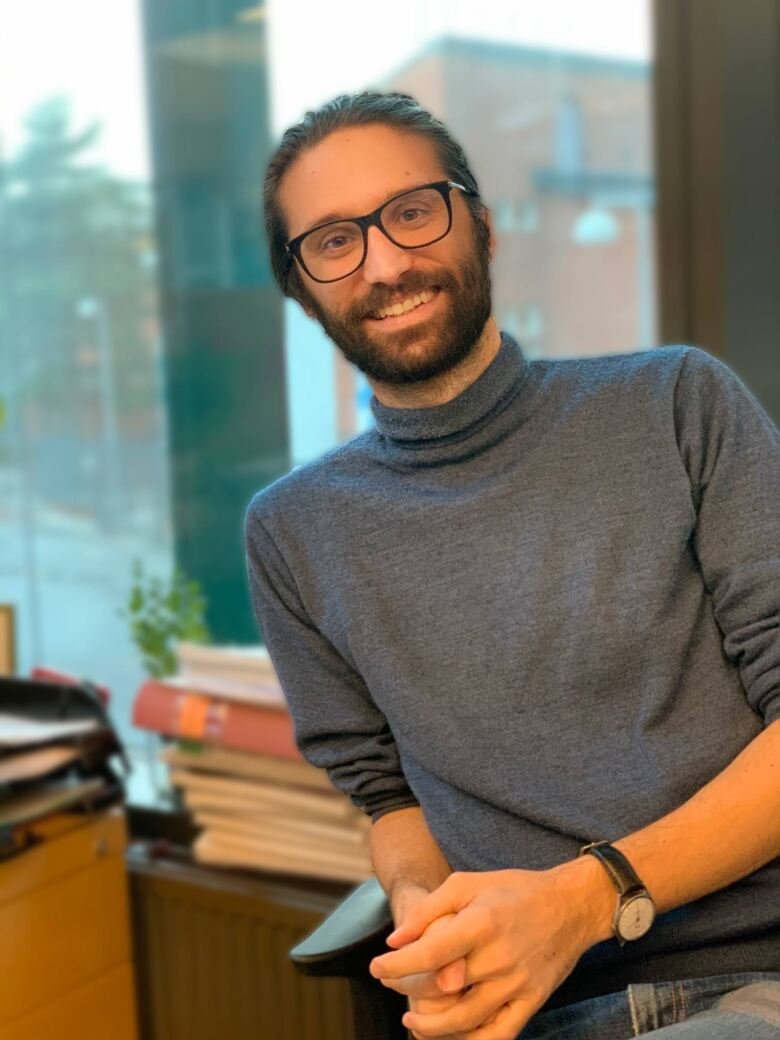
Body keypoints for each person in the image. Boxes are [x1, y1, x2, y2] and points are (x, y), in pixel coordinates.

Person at [244, 90, 780, 1039]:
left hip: (752, 972)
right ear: (303, 291)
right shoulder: (293, 532)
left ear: (481, 228)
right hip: (521, 1006)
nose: (385, 261)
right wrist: (421, 911)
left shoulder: (677, 404)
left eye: (411, 212)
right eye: (333, 241)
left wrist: (581, 902)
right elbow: (388, 797)